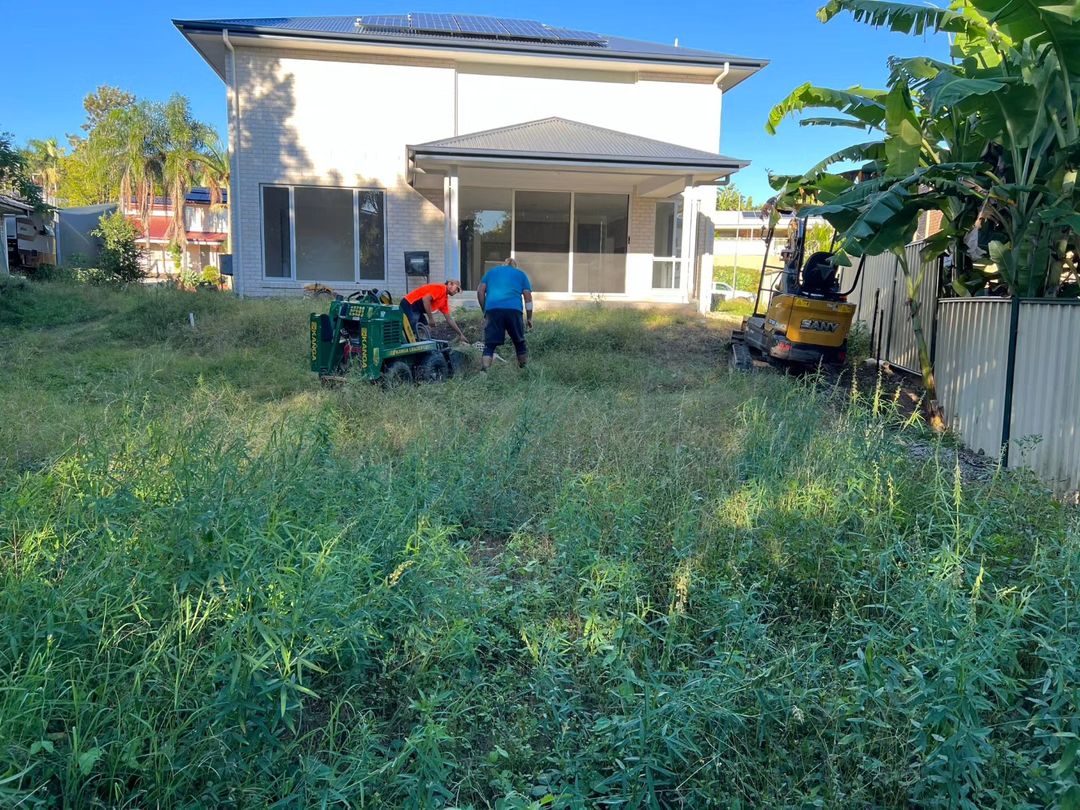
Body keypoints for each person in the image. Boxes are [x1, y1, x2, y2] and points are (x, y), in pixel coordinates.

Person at [477, 257, 533, 371]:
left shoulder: (491, 272)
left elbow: (480, 291)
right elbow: (528, 299)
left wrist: (485, 309)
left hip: (493, 309)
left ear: (504, 265)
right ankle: (524, 370)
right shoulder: (521, 274)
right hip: (514, 310)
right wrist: (529, 318)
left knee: (490, 344)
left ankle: (484, 372)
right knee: (519, 342)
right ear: (514, 266)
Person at [399, 280, 468, 343]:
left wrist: (460, 334)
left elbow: (449, 319)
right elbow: (425, 299)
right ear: (450, 284)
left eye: (458, 291)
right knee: (410, 328)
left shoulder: (444, 300)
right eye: (456, 289)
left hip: (417, 309)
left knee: (425, 328)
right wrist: (431, 319)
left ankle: (421, 347)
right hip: (409, 304)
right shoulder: (440, 288)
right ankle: (404, 344)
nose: (456, 292)